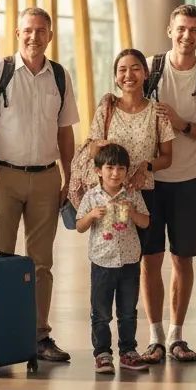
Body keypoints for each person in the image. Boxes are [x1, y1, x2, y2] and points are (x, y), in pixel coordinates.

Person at [0, 6, 79, 363]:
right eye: (28, 30)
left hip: (47, 178)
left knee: (41, 262)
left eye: (41, 31)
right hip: (3, 176)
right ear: (18, 34)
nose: (34, 37)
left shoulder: (60, 77)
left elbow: (65, 132)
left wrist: (69, 175)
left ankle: (39, 335)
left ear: (50, 35)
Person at [139, 4, 196, 365]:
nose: (186, 36)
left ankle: (176, 334)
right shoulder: (149, 67)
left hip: (189, 180)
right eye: (181, 29)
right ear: (168, 30)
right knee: (150, 258)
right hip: (149, 180)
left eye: (193, 30)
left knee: (182, 258)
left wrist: (181, 123)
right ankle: (154, 336)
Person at [75, 143, 151, 374]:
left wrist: (133, 212)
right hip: (102, 262)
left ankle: (128, 351)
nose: (115, 173)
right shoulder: (91, 196)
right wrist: (91, 215)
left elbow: (146, 222)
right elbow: (79, 226)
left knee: (128, 310)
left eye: (120, 168)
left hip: (129, 260)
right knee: (101, 311)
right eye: (109, 168)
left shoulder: (133, 195)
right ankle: (102, 353)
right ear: (98, 170)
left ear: (127, 171)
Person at [83, 49, 175, 191]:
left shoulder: (158, 112)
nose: (128, 75)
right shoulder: (106, 109)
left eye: (135, 69)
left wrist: (146, 167)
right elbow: (93, 152)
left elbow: (167, 158)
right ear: (115, 77)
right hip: (109, 194)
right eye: (122, 70)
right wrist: (96, 147)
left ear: (146, 73)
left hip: (144, 193)